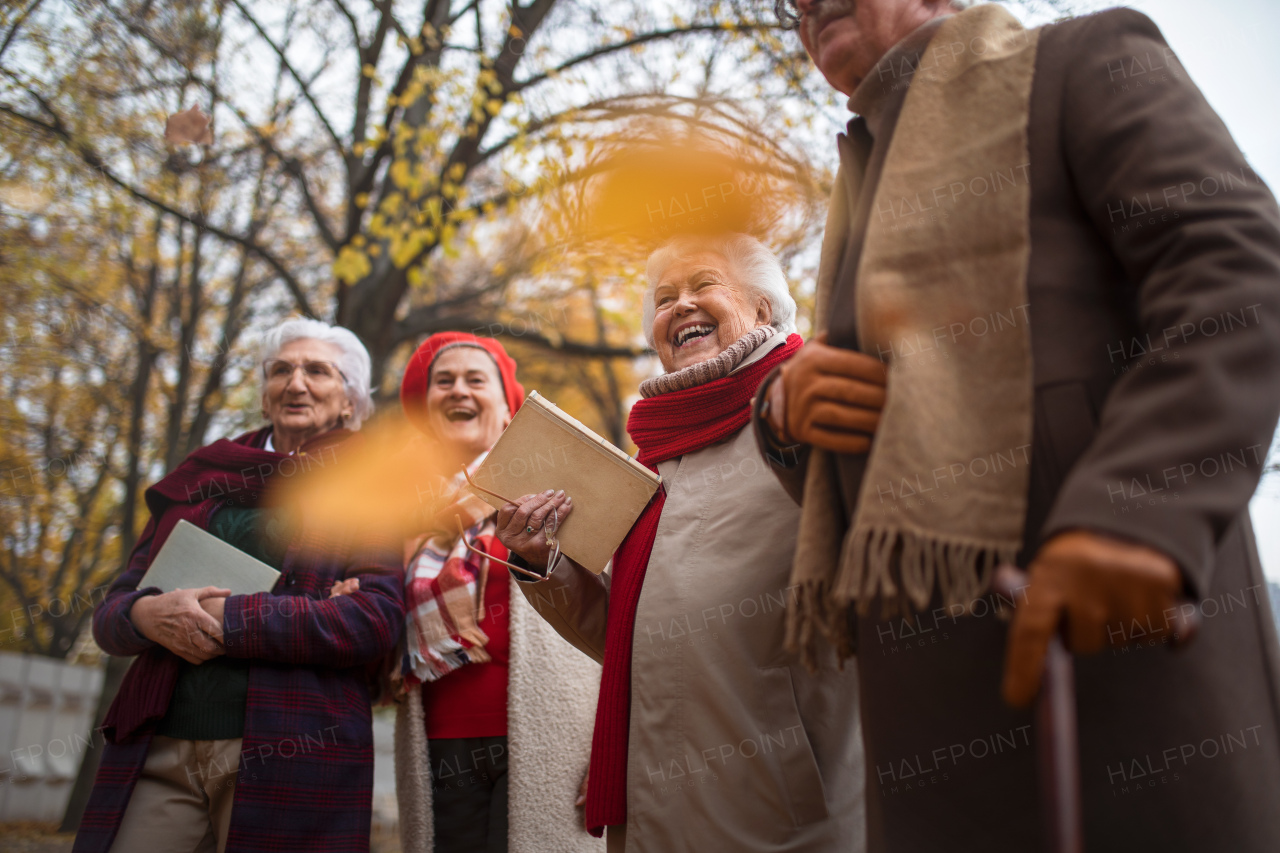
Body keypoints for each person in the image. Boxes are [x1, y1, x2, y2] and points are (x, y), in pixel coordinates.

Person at [758, 1, 1280, 850]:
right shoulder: (858, 183)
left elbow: (1233, 268)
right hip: (929, 739)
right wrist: (782, 414)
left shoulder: (1087, 57)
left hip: (1116, 676)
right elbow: (865, 458)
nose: (802, 6)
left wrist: (1141, 507)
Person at [494, 234, 866, 853]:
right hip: (658, 802)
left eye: (704, 284)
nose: (680, 306)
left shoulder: (808, 409)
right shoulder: (655, 457)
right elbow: (629, 634)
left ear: (763, 310)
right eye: (665, 299)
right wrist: (544, 561)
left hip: (783, 803)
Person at [75, 318, 405, 853]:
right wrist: (145, 616)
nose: (296, 383)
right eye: (281, 370)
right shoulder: (203, 476)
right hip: (158, 738)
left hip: (293, 745)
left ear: (349, 402)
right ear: (265, 393)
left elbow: (374, 621)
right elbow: (113, 609)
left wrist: (228, 621)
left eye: (317, 371)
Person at [394, 331, 602, 853]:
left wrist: (611, 749)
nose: (458, 391)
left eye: (474, 380)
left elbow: (614, 623)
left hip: (556, 743)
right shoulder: (393, 513)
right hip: (438, 744)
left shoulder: (560, 493)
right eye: (444, 382)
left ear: (508, 409)